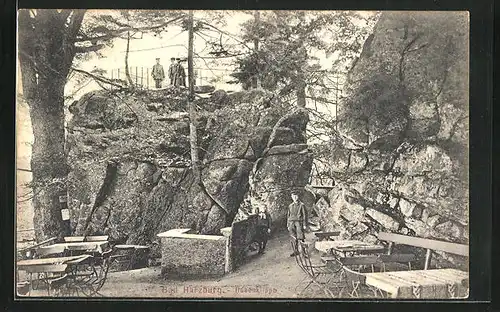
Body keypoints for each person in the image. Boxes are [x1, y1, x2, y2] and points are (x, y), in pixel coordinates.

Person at [287, 191, 308, 257]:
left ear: (298, 196)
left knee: (301, 237)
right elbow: (288, 216)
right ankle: (296, 251)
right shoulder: (290, 206)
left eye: (296, 196)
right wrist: (288, 224)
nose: (295, 197)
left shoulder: (302, 205)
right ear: (291, 197)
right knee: (294, 237)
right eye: (293, 196)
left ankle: (304, 252)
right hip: (291, 223)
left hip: (299, 222)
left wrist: (304, 224)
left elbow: (305, 215)